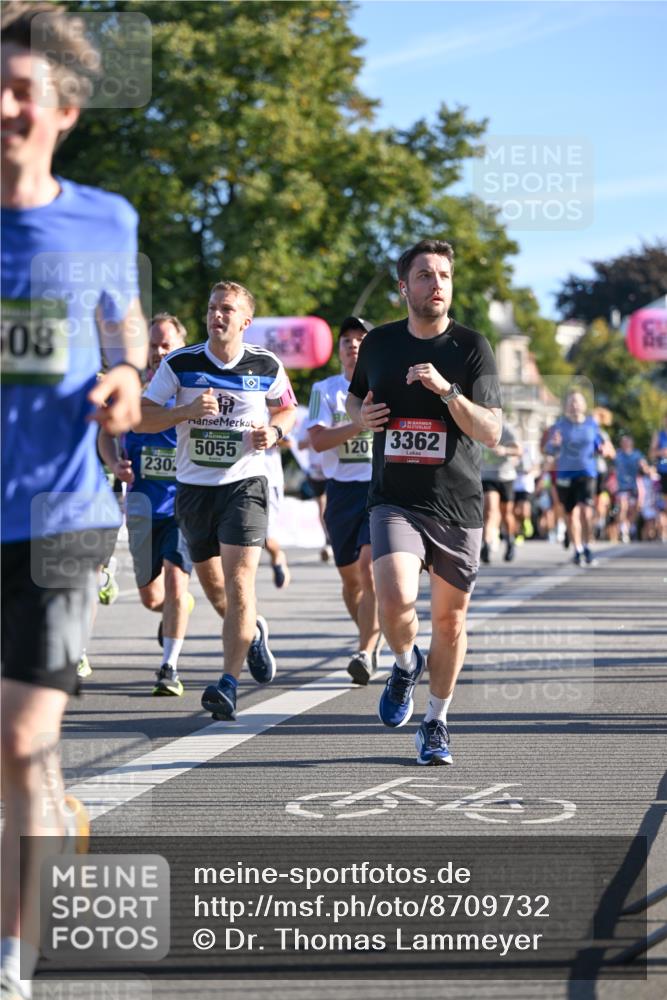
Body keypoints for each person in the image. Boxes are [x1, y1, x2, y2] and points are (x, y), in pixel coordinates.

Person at [1, 5, 148, 998]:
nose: (4, 106)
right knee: (21, 759)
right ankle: (53, 816)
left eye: (21, 90)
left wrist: (129, 376)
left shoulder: (103, 219)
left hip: (61, 513)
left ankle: (13, 955)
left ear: (65, 110)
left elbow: (124, 331)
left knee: (16, 734)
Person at [346, 239, 502, 764]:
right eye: (425, 275)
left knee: (451, 623)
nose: (437, 284)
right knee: (391, 596)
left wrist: (448, 392)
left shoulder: (472, 348)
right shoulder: (380, 345)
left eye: (444, 276)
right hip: (394, 499)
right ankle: (404, 660)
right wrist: (358, 420)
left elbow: (493, 431)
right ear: (403, 287)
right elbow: (355, 397)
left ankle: (436, 720)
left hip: (457, 505)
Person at [136, 280, 297, 721]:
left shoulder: (265, 364)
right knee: (215, 589)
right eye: (212, 308)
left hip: (245, 485)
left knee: (240, 580)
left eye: (227, 309)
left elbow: (288, 408)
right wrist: (184, 412)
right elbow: (143, 417)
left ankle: (228, 683)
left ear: (246, 320)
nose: (217, 315)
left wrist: (276, 431)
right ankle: (254, 633)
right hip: (193, 491)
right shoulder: (180, 362)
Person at [98, 313, 196, 695]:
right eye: (153, 344)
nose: (158, 351)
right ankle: (178, 609)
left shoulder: (190, 390)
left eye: (166, 344)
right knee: (152, 597)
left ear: (179, 347)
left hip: (182, 505)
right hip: (140, 507)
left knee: (174, 580)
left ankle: (169, 667)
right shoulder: (130, 389)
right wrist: (113, 462)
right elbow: (106, 435)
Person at [307, 316, 381, 684]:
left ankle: (365, 651)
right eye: (346, 339)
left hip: (377, 488)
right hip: (340, 490)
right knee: (351, 580)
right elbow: (318, 441)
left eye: (360, 339)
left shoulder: (384, 384)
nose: (353, 345)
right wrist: (359, 424)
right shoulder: (325, 389)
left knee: (369, 570)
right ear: (338, 350)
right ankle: (371, 633)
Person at [544, 390, 615, 565]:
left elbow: (600, 444)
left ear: (584, 405)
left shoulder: (592, 424)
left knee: (586, 510)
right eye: (571, 402)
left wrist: (603, 449)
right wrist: (554, 444)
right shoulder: (559, 425)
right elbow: (549, 449)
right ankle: (577, 549)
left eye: (578, 402)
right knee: (571, 514)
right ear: (567, 406)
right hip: (566, 474)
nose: (574, 405)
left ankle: (587, 544)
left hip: (587, 472)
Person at [480, 423, 521, 563]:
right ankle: (486, 544)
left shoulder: (507, 429)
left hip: (505, 476)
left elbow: (518, 450)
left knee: (506, 514)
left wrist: (505, 450)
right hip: (487, 476)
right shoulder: (478, 426)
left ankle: (510, 541)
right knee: (490, 510)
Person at [613, 433, 650, 543]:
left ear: (631, 443)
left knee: (634, 509)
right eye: (623, 442)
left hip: (634, 486)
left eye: (627, 442)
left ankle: (628, 526)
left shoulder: (637, 455)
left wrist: (646, 468)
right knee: (623, 506)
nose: (625, 444)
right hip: (622, 486)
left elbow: (643, 465)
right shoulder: (618, 455)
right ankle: (622, 529)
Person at [263, 442, 291, 588]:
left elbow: (289, 442)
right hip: (233, 479)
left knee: (265, 538)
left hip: (268, 481)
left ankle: (277, 555)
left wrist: (269, 434)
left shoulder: (275, 417)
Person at [648, 413, 667, 542]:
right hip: (662, 473)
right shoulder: (659, 435)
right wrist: (661, 452)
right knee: (661, 505)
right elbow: (651, 454)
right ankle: (662, 533)